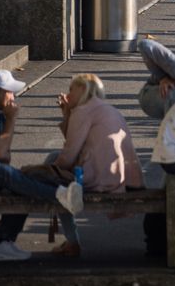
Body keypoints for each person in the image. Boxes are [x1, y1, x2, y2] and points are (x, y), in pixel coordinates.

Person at [0, 70, 84, 262]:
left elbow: (4, 158)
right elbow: (1, 156)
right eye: (9, 91)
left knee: (21, 180)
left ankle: (2, 242)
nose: (13, 96)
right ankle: (59, 196)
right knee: (6, 175)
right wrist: (11, 120)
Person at [49, 73, 144, 257]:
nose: (68, 94)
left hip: (99, 177)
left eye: (71, 89)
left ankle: (71, 241)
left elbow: (69, 154)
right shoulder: (104, 108)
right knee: (53, 166)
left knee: (54, 184)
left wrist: (50, 170)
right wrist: (67, 112)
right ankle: (69, 240)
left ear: (83, 90)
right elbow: (77, 144)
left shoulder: (83, 111)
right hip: (122, 177)